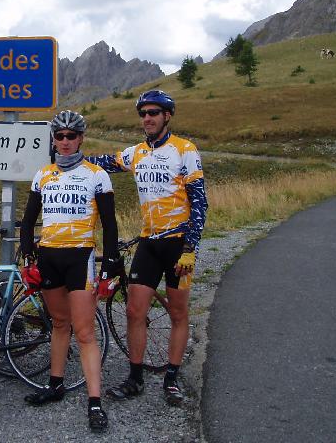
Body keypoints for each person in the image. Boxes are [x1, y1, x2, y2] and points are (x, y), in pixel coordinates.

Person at [87, 89, 207, 405]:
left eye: (153, 113)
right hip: (149, 243)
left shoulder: (185, 150)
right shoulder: (137, 152)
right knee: (134, 310)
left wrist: (190, 248)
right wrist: (67, 155)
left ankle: (171, 379)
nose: (147, 118)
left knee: (178, 312)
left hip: (178, 244)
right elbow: (106, 162)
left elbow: (200, 202)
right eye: (143, 114)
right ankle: (135, 378)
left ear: (167, 116)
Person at [18, 110, 123, 433]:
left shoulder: (96, 175)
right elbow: (29, 219)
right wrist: (28, 256)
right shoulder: (43, 175)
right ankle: (56, 384)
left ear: (81, 139)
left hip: (80, 258)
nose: (64, 142)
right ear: (54, 139)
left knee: (85, 331)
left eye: (71, 136)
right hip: (49, 256)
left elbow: (109, 224)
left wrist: (111, 263)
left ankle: (94, 402)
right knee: (60, 324)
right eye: (59, 136)